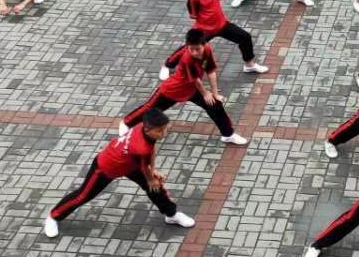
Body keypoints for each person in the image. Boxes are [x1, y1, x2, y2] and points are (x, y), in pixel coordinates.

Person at [42, 109, 195, 238]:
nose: (163, 133)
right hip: (106, 166)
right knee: (83, 195)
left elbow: (149, 155)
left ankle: (172, 214)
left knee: (155, 188)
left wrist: (153, 172)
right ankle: (53, 217)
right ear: (148, 129)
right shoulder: (141, 147)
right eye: (160, 130)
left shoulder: (145, 129)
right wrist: (150, 178)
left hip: (131, 164)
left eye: (165, 128)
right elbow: (144, 164)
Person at [122, 29, 249, 146]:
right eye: (191, 49)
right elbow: (196, 81)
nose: (194, 52)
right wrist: (205, 94)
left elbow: (210, 71)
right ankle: (127, 122)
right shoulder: (187, 59)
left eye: (197, 49)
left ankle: (228, 135)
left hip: (192, 89)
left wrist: (214, 93)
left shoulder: (208, 50)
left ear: (204, 44)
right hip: (174, 89)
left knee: (215, 105)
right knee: (150, 107)